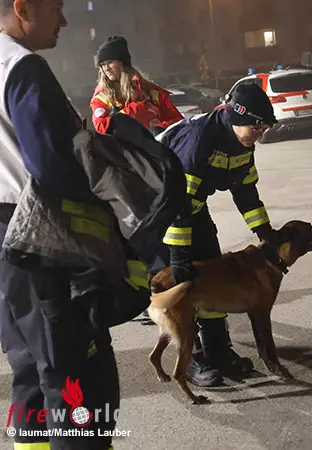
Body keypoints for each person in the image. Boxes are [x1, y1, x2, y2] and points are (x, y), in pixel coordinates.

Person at [0, 1, 124, 448]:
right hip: (39, 238)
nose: (65, 21)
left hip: (4, 247)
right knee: (74, 374)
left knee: (30, 367)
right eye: (56, 8)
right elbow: (55, 167)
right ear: (22, 7)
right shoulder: (22, 67)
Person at [153, 82, 279, 387]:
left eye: (264, 129)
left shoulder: (242, 144)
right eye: (256, 127)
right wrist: (179, 257)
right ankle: (192, 357)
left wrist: (265, 234)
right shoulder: (200, 140)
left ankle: (218, 351)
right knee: (181, 283)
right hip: (157, 205)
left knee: (212, 271)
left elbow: (246, 190)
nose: (259, 135)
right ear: (237, 117)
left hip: (191, 203)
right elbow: (179, 205)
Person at [90, 35, 183, 135]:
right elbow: (101, 127)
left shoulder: (151, 91)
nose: (106, 68)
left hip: (156, 146)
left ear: (122, 63)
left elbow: (178, 120)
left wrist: (159, 128)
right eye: (103, 65)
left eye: (110, 62)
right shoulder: (102, 97)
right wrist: (134, 110)